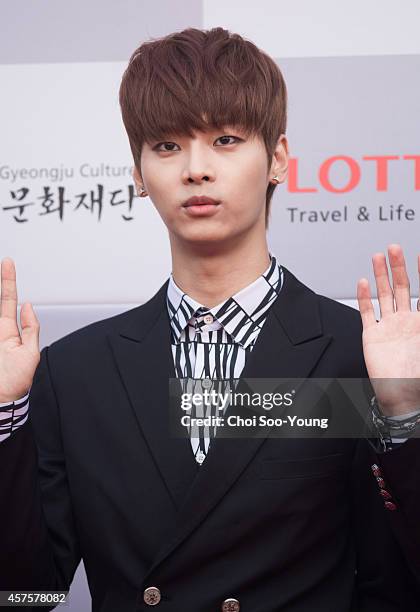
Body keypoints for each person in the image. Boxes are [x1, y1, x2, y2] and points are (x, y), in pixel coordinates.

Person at [1, 27, 420, 612]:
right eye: (168, 146)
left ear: (277, 159)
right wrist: (5, 416)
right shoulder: (75, 374)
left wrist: (405, 415)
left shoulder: (358, 356)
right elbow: (25, 595)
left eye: (225, 139)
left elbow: (401, 585)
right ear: (139, 174)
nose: (196, 169)